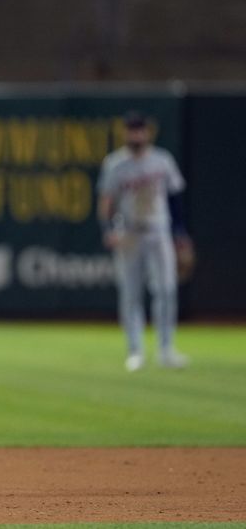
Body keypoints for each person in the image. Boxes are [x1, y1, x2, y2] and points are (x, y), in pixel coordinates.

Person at [97, 111, 190, 372]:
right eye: (131, 130)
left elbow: (174, 198)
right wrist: (107, 229)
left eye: (139, 130)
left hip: (158, 231)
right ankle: (135, 351)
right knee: (131, 294)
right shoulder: (115, 164)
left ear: (148, 132)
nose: (135, 135)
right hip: (129, 234)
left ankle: (166, 349)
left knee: (166, 289)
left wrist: (180, 233)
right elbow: (106, 202)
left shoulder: (162, 160)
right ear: (125, 133)